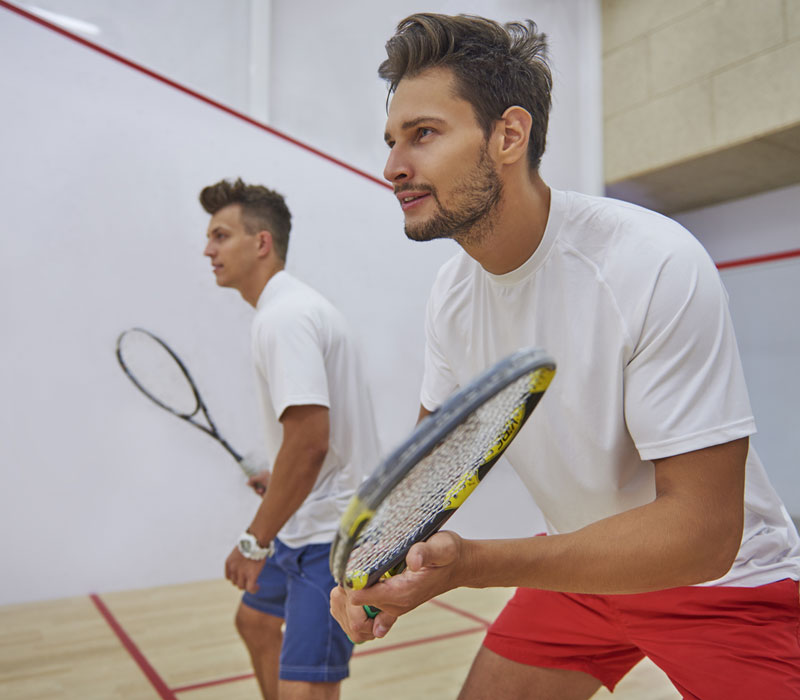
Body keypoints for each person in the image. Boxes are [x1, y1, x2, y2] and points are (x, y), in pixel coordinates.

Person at [330, 14, 800, 700]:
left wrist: (469, 565)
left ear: (509, 136)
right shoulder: (452, 294)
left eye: (423, 135)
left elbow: (704, 533)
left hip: (722, 583)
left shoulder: (651, 261)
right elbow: (429, 478)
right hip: (581, 572)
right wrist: (383, 565)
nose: (393, 166)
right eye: (392, 141)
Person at [200, 178, 381, 700]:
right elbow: (309, 443)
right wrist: (278, 480)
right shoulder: (288, 311)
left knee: (307, 689)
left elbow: (309, 443)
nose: (207, 249)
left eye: (220, 235)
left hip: (332, 537)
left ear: (261, 243)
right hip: (307, 524)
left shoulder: (286, 317)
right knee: (255, 624)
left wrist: (254, 540)